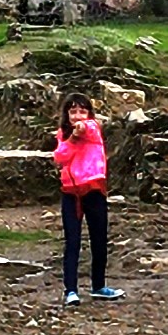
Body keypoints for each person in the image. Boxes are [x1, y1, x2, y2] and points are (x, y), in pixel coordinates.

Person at [50, 93, 121, 303]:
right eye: (73, 111)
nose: (78, 116)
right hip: (71, 192)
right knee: (72, 241)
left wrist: (81, 128)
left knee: (99, 239)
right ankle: (70, 290)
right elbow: (60, 157)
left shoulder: (93, 128)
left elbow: (88, 127)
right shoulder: (63, 134)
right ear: (66, 114)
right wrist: (72, 138)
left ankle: (98, 285)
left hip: (93, 189)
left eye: (82, 111)